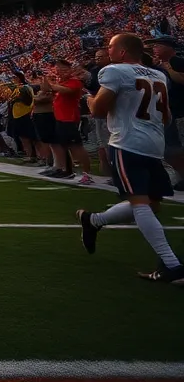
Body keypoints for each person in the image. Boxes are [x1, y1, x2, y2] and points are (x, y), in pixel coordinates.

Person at [76, 33, 183, 283]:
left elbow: (98, 110)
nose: (108, 51)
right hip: (154, 143)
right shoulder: (157, 75)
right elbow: (166, 115)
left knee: (141, 204)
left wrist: (89, 98)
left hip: (127, 142)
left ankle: (171, 264)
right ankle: (94, 220)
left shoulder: (114, 71)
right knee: (150, 204)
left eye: (111, 47)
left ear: (123, 51)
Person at [45, 58, 92, 183]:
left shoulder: (74, 82)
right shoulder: (63, 82)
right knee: (64, 146)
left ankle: (87, 174)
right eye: (58, 69)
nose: (60, 72)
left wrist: (50, 83)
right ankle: (67, 170)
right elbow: (48, 91)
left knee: (76, 147)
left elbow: (65, 91)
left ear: (70, 70)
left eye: (63, 69)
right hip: (60, 118)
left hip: (69, 119)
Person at [145, 36, 184, 190]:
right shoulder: (158, 66)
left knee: (178, 148)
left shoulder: (177, 61)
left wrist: (167, 68)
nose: (154, 48)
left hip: (181, 111)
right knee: (171, 149)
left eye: (158, 45)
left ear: (169, 47)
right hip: (169, 112)